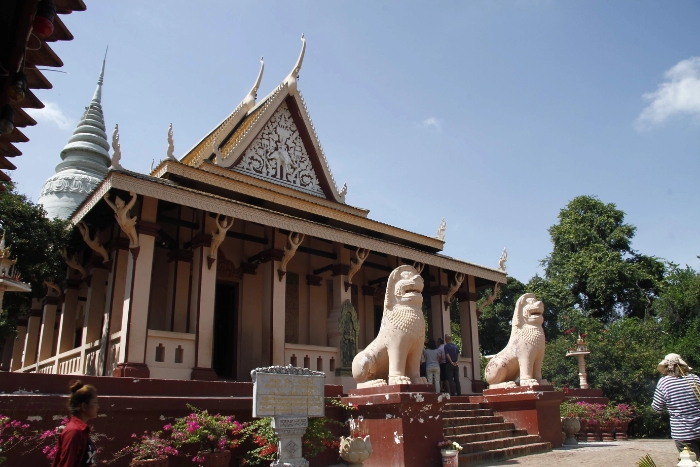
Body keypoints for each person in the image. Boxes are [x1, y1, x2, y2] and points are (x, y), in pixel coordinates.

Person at [652, 353, 700, 458]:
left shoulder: (664, 382)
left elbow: (657, 408)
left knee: (690, 462)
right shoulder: (695, 379)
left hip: (683, 433)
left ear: (666, 368)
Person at [52, 380, 100, 467]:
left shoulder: (82, 431)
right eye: (95, 402)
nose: (98, 407)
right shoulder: (74, 432)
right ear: (84, 406)